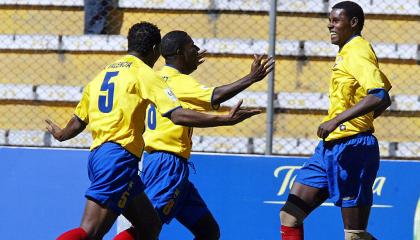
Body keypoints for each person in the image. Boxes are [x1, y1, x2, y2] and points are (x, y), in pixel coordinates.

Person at [46, 22, 261, 240]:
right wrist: (224, 119)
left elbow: (78, 122)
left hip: (102, 156)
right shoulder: (146, 75)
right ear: (156, 50)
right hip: (122, 157)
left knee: (151, 227)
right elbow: (176, 114)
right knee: (91, 231)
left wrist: (60, 134)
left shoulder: (102, 75)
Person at [114, 31, 274, 240]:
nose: (197, 50)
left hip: (164, 162)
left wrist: (186, 63)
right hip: (167, 164)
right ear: (179, 53)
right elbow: (215, 95)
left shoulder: (156, 78)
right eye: (192, 47)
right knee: (147, 227)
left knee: (208, 231)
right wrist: (251, 78)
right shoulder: (179, 82)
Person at [279, 1, 392, 240]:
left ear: (353, 23)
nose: (330, 25)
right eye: (329, 20)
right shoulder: (347, 52)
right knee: (289, 216)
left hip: (354, 149)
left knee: (354, 235)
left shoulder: (358, 51)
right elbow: (385, 98)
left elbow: (379, 94)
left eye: (336, 20)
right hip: (329, 148)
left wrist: (339, 121)